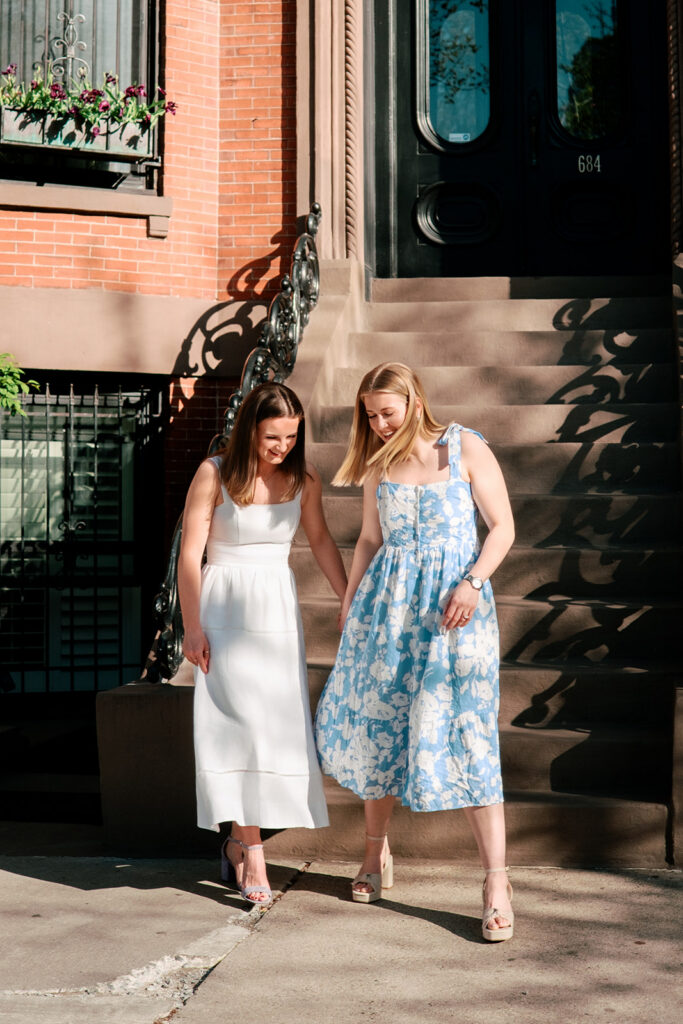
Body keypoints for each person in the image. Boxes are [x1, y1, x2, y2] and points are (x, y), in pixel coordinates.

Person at [314, 362, 515, 941]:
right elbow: (371, 540)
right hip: (389, 609)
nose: (377, 423)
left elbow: (502, 527)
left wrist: (473, 582)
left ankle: (496, 882)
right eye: (369, 414)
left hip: (458, 611)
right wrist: (350, 603)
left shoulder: (465, 447)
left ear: (413, 401)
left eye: (386, 411)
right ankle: (376, 855)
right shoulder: (378, 465)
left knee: (471, 735)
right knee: (383, 724)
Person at [178, 382, 347, 907]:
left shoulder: (304, 478)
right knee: (238, 728)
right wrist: (193, 626)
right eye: (273, 436)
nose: (282, 447)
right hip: (224, 608)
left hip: (275, 611)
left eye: (292, 437)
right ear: (250, 427)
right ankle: (252, 852)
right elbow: (189, 556)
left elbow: (319, 540)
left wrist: (350, 601)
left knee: (269, 731)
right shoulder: (214, 473)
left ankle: (236, 842)